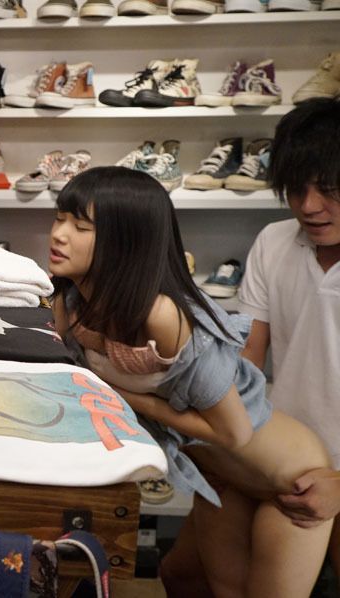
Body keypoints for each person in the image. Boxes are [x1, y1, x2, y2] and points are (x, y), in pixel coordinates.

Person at [47, 165, 334, 597]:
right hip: (224, 475)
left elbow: (235, 432)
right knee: (189, 581)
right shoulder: (70, 304)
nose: (59, 234)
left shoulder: (162, 315)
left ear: (127, 240)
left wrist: (129, 398)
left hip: (293, 481)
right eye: (59, 218)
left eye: (80, 226)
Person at [160, 98, 340, 597]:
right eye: (296, 188)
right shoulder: (276, 241)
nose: (308, 206)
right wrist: (216, 441)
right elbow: (243, 362)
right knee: (181, 574)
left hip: (325, 471)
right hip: (273, 449)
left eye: (328, 190)